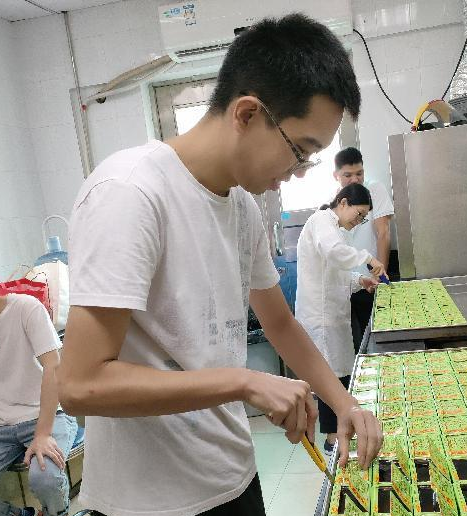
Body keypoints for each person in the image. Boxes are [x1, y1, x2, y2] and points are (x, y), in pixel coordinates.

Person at [57, 14, 382, 517]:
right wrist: (245, 381)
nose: (297, 173)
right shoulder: (130, 192)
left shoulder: (241, 206)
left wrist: (345, 403)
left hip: (234, 477)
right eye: (300, 151)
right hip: (150, 504)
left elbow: (279, 324)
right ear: (247, 114)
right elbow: (81, 385)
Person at [295, 184, 386, 454]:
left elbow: (336, 274)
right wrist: (369, 258)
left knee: (340, 373)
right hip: (320, 317)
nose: (358, 221)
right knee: (328, 376)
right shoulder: (321, 221)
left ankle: (343, 428)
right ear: (343, 202)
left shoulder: (336, 230)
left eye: (363, 218)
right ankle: (331, 438)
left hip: (333, 316)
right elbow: (334, 253)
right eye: (359, 215)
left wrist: (360, 280)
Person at [0, 293, 79, 517]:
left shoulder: (25, 308)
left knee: (45, 478)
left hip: (47, 414)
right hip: (3, 424)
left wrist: (43, 434)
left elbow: (53, 365)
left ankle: (57, 513)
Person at [333, 148, 395, 351]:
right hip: (349, 282)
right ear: (336, 176)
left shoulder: (374, 189)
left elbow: (383, 233)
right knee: (359, 340)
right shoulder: (334, 202)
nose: (355, 180)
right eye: (348, 175)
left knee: (380, 337)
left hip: (372, 279)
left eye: (359, 173)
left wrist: (381, 274)